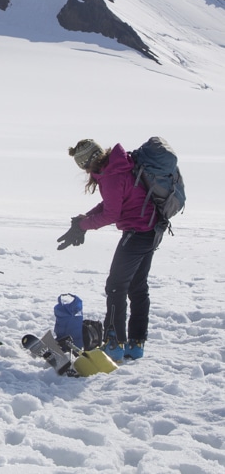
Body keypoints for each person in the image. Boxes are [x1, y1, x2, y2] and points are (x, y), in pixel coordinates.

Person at [57, 139, 158, 362]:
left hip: (136, 232)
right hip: (150, 230)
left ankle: (114, 343)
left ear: (87, 163)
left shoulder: (112, 176)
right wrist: (86, 218)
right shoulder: (119, 166)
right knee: (137, 287)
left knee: (115, 287)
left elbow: (112, 214)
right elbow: (112, 204)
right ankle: (136, 344)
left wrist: (83, 226)